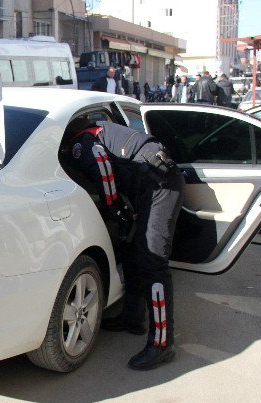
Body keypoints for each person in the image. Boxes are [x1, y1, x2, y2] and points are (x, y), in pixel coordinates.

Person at [61, 119, 184, 371]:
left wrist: (113, 208)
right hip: (146, 186)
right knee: (131, 250)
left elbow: (102, 165)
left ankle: (162, 344)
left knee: (152, 263)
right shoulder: (97, 131)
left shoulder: (82, 142)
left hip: (160, 186)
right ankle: (132, 317)